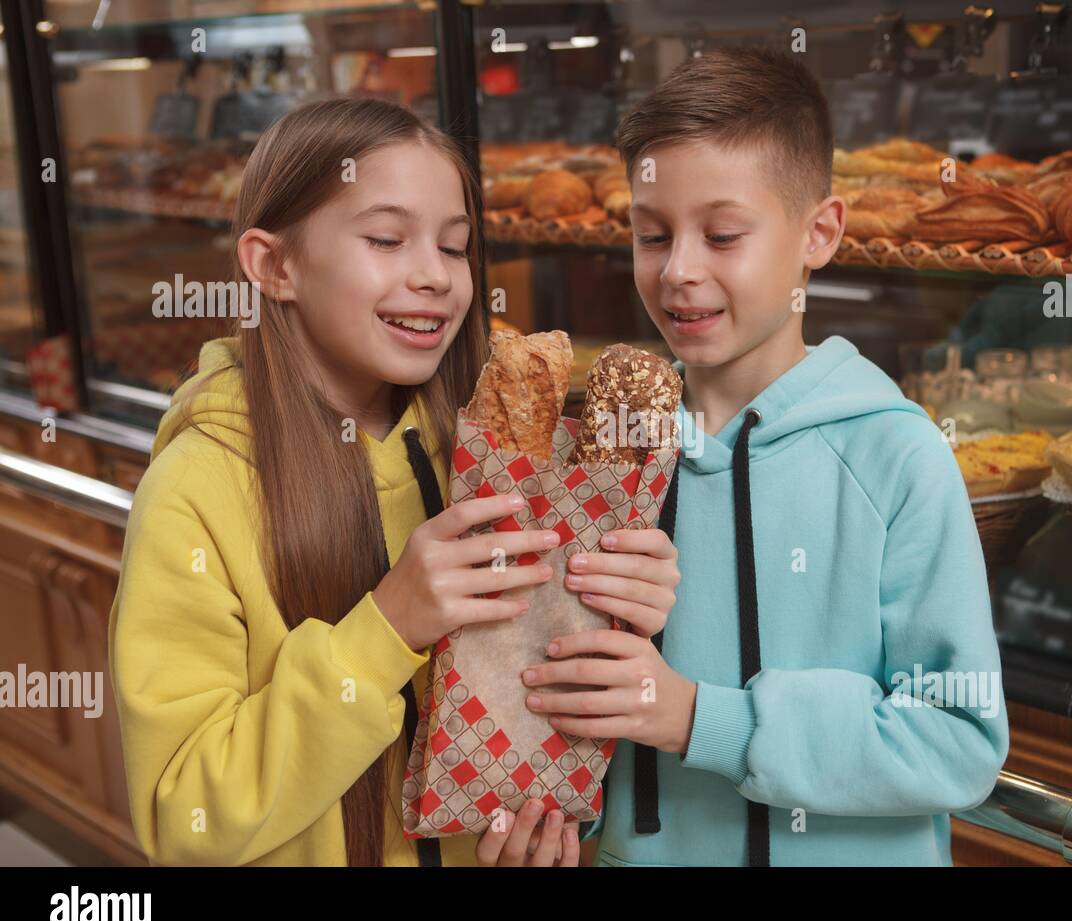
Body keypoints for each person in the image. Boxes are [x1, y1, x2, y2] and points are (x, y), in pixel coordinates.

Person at [107, 98, 679, 866]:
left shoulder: (479, 457)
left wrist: (620, 602)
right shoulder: (198, 491)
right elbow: (185, 818)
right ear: (274, 265)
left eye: (454, 248)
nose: (434, 277)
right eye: (386, 239)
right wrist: (387, 628)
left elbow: (514, 713)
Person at [521, 48, 1010, 866]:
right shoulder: (610, 449)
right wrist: (559, 826)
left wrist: (697, 718)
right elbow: (572, 704)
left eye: (722, 235)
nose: (679, 271)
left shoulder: (899, 456)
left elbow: (958, 739)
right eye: (651, 235)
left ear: (819, 233)